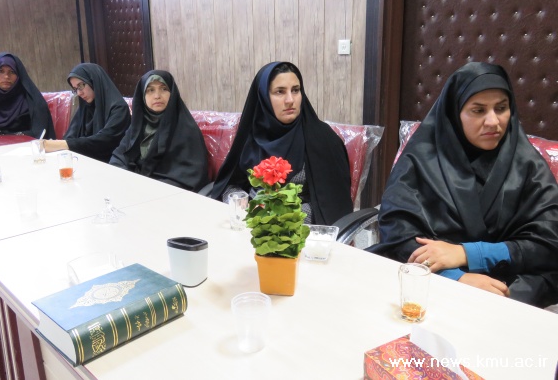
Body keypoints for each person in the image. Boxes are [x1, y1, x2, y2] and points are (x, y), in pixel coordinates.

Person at [368, 61, 558, 308]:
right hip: (432, 276)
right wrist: (456, 278)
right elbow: (399, 234)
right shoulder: (421, 160)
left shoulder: (528, 165)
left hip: (509, 281)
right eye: (478, 110)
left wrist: (467, 253)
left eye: (501, 108)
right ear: (454, 113)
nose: (493, 121)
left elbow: (548, 243)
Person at [210, 61, 352, 225]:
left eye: (296, 90)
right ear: (263, 97)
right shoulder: (251, 135)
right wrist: (242, 203)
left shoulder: (323, 139)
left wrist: (282, 217)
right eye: (280, 92)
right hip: (250, 223)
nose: (290, 100)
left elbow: (334, 206)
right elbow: (230, 185)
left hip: (300, 229)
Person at [110, 70, 209, 192]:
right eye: (150, 90)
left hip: (167, 194)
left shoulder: (186, 129)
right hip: (135, 189)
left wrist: (147, 189)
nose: (157, 96)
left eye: (163, 89)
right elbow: (119, 157)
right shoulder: (138, 126)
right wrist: (127, 181)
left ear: (172, 93)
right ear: (142, 96)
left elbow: (189, 177)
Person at [44, 63, 130, 163]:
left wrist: (63, 144)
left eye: (81, 86)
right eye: (75, 89)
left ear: (94, 81)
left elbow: (103, 142)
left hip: (111, 165)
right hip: (85, 162)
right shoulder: (86, 107)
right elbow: (70, 135)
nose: (79, 93)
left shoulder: (119, 109)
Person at [0, 52, 56, 138]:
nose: (6, 76)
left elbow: (41, 135)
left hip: (25, 145)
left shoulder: (34, 103)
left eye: (12, 72)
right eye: (1, 71)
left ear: (19, 74)